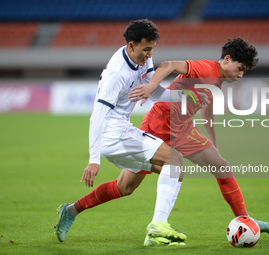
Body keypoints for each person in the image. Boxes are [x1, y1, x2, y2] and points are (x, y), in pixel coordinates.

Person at [54, 19, 207, 246]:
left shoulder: (142, 58)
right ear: (131, 45)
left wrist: (182, 98)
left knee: (128, 186)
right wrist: (93, 160)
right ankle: (157, 228)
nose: (149, 54)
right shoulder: (117, 74)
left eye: (152, 49)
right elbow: (97, 116)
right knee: (174, 160)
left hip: (121, 132)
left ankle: (71, 211)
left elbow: (152, 92)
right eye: (146, 49)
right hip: (114, 134)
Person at [128, 37, 269, 234]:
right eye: (240, 68)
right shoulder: (205, 69)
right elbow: (168, 65)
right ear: (226, 59)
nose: (241, 75)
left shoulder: (218, 81)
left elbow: (207, 112)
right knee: (126, 186)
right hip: (158, 125)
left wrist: (214, 145)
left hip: (181, 128)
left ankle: (245, 219)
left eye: (244, 71)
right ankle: (75, 208)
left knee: (222, 166)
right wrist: (151, 87)